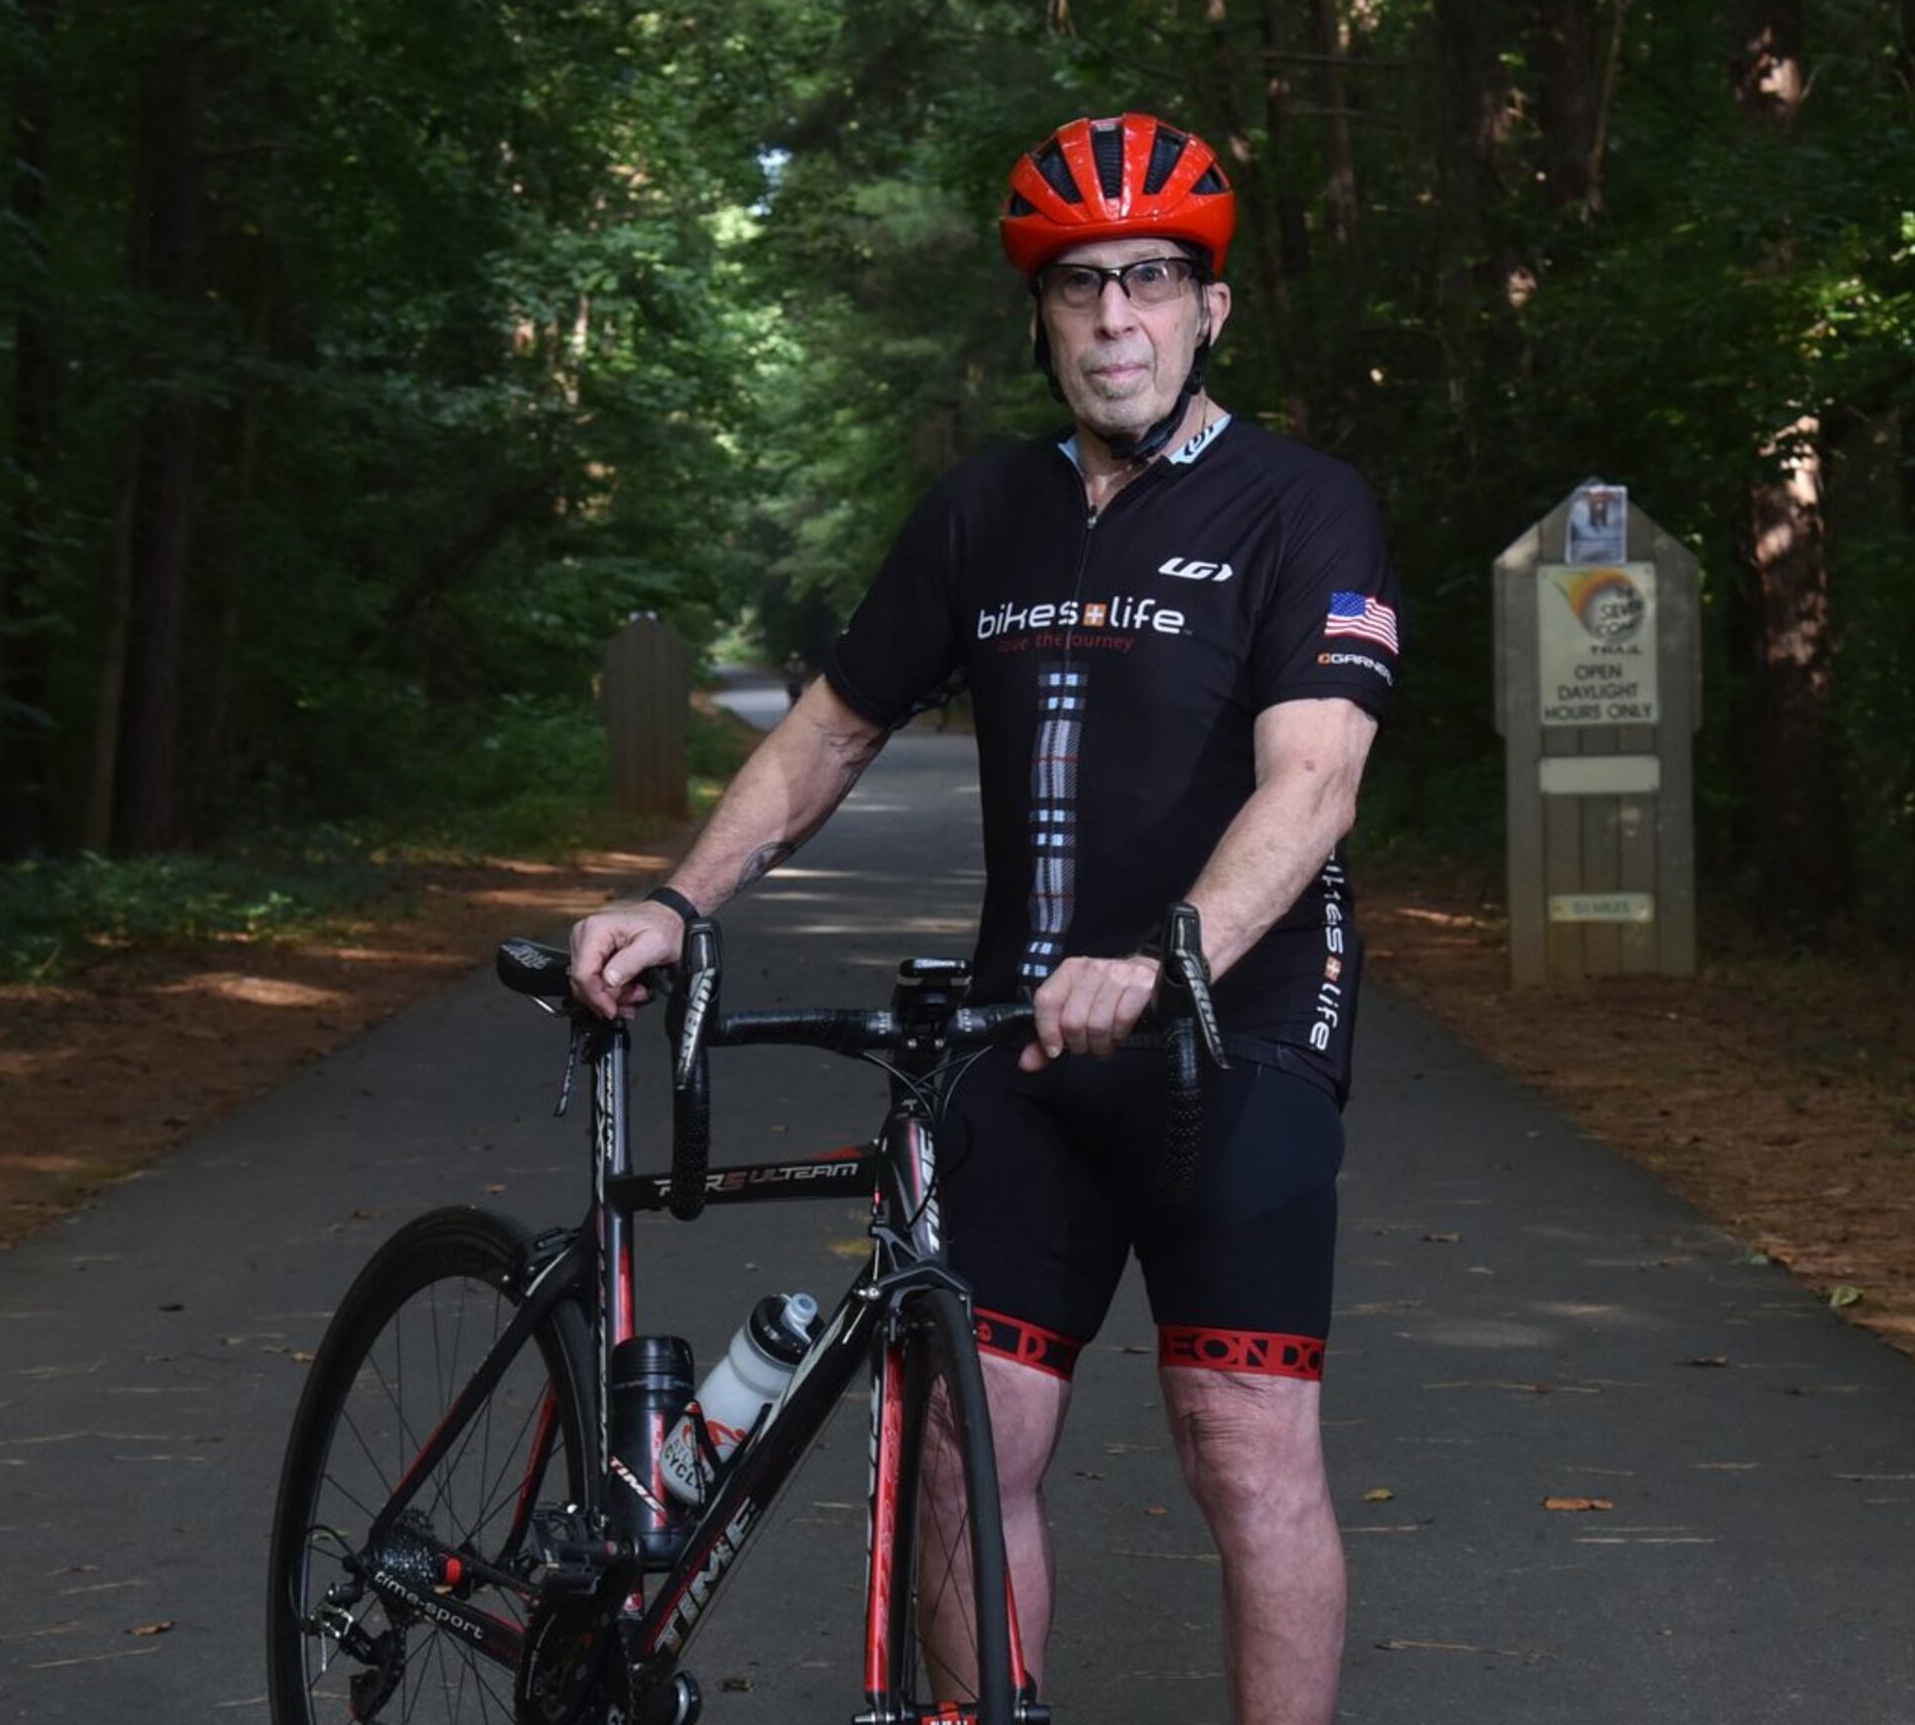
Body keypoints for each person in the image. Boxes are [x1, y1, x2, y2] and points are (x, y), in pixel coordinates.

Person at [568, 111, 1393, 1725]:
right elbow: (831, 728)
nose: (1118, 321)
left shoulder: (1303, 507)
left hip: (1238, 1041)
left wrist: (1169, 961)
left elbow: (1313, 785)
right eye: (1080, 289)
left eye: (1153, 281)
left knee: (1247, 1451)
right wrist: (680, 897)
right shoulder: (981, 516)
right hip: (1018, 1045)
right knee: (964, 1441)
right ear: (1040, 316)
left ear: (1211, 307)